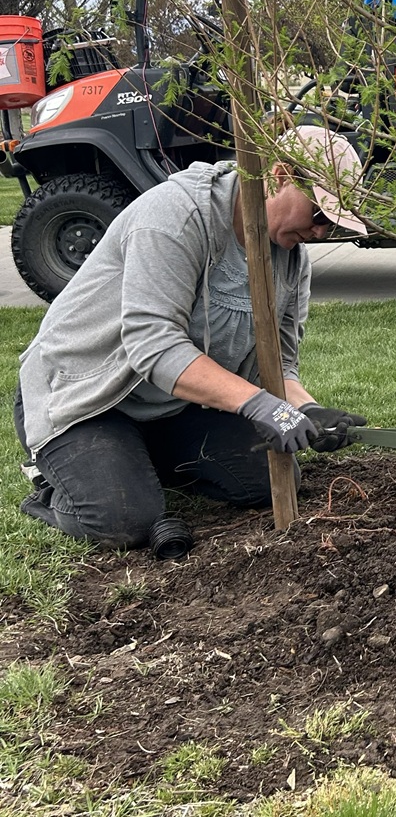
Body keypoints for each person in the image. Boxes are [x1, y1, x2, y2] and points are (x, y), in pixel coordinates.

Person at [15, 124, 370, 550]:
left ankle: (137, 458)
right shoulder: (175, 217)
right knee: (125, 520)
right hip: (86, 396)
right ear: (279, 176)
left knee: (272, 479)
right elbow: (154, 344)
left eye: (333, 223)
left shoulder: (291, 261)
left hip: (169, 407)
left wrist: (307, 409)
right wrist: (260, 405)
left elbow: (276, 363)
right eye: (318, 215)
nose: (321, 233)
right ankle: (53, 483)